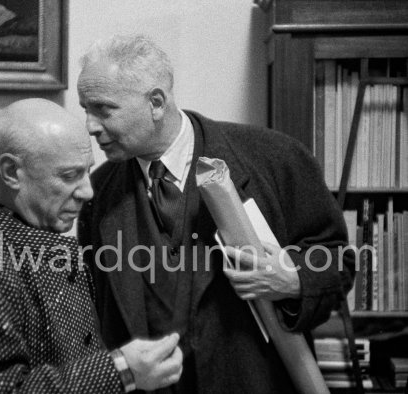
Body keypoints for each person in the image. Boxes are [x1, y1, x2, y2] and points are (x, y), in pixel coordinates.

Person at [77, 34, 355, 393]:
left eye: (102, 109)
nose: (90, 126)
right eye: (85, 109)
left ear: (156, 103)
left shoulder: (276, 157)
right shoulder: (96, 193)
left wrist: (293, 279)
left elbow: (338, 261)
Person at [0, 98, 183, 393]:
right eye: (69, 176)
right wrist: (120, 371)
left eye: (86, 171)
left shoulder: (24, 235)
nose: (88, 191)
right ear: (11, 172)